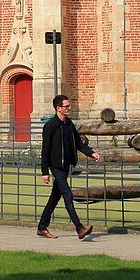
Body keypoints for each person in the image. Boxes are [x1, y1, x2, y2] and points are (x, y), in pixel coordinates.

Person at [37, 93, 101, 239]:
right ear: (58, 108)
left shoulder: (68, 124)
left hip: (66, 165)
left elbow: (78, 143)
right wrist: (44, 172)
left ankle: (42, 227)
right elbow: (45, 150)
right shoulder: (50, 126)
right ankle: (79, 228)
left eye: (69, 106)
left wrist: (91, 153)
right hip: (56, 166)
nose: (69, 108)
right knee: (67, 195)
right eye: (66, 106)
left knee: (54, 197)